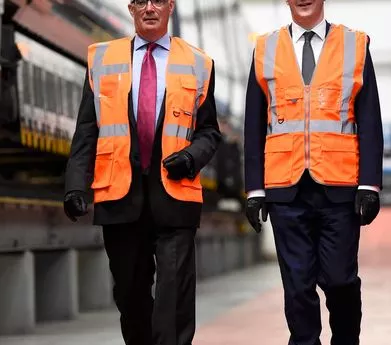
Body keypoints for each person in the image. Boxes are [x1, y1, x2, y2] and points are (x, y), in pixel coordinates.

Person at [63, 0, 221, 344]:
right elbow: (87, 129)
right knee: (130, 297)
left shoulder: (198, 63)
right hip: (119, 196)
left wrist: (191, 157)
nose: (150, 8)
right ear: (131, 8)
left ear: (171, 7)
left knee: (173, 299)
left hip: (175, 196)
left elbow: (209, 131)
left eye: (159, 1)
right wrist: (76, 186)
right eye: (141, 1)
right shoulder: (102, 59)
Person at [243, 0, 383, 344]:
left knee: (340, 280)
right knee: (297, 284)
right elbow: (253, 122)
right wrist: (254, 189)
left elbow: (369, 119)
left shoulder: (355, 44)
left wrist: (370, 184)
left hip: (340, 188)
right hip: (285, 188)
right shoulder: (265, 48)